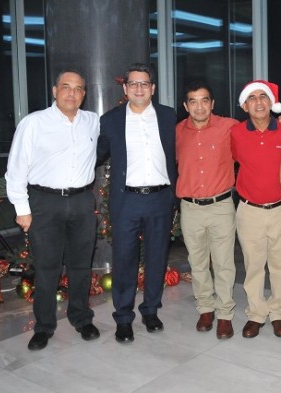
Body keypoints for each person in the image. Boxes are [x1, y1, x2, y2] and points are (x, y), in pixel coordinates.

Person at [175, 81, 281, 339]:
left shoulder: (231, 128)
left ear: (212, 104)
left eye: (204, 100)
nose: (199, 106)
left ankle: (270, 314)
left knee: (267, 266)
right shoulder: (183, 131)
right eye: (193, 101)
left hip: (249, 206)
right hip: (213, 207)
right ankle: (231, 311)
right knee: (230, 264)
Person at [5, 70, 100, 350]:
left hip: (82, 201)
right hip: (44, 203)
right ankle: (44, 326)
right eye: (66, 87)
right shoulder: (34, 123)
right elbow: (16, 170)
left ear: (84, 94)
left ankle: (81, 318)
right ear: (54, 90)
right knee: (46, 267)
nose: (72, 93)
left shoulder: (92, 121)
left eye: (78, 89)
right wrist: (22, 210)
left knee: (81, 265)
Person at [97, 63, 177, 343]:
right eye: (133, 84)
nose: (139, 89)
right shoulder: (111, 120)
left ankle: (151, 310)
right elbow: (94, 155)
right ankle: (123, 318)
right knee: (124, 260)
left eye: (144, 84)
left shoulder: (169, 117)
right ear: (125, 88)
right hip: (126, 200)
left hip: (160, 198)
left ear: (153, 88)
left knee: (157, 257)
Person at [231, 80, 281, 339]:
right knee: (253, 265)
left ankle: (278, 313)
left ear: (272, 103)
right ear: (245, 106)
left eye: (263, 97)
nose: (258, 102)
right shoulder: (235, 133)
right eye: (252, 98)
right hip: (249, 210)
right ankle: (256, 314)